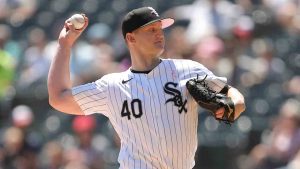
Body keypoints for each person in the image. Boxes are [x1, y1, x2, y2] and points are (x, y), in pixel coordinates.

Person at [48, 7, 246, 169]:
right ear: (131, 39)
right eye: (151, 30)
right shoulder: (112, 87)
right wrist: (64, 46)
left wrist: (232, 106)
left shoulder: (188, 69)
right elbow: (58, 98)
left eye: (160, 29)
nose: (159, 34)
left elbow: (232, 96)